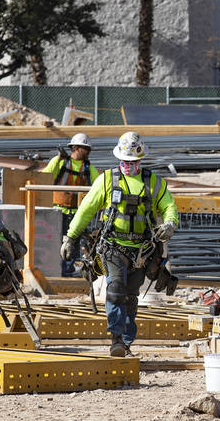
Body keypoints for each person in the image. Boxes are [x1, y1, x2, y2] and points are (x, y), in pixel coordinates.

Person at [60, 131, 179, 357]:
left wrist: (170, 223)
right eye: (125, 162)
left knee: (130, 296)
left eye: (133, 162)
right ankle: (115, 338)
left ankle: (125, 342)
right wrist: (70, 237)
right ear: (118, 159)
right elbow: (85, 210)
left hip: (142, 251)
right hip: (113, 247)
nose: (128, 165)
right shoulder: (106, 180)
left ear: (141, 160)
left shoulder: (154, 183)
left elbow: (169, 206)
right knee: (114, 290)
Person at [42, 133, 100, 276]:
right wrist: (57, 159)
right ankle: (56, 270)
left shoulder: (88, 167)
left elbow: (99, 184)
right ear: (75, 148)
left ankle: (67, 271)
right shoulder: (61, 162)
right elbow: (45, 175)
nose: (87, 152)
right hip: (58, 210)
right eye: (84, 149)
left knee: (72, 243)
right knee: (56, 241)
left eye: (88, 149)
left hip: (77, 212)